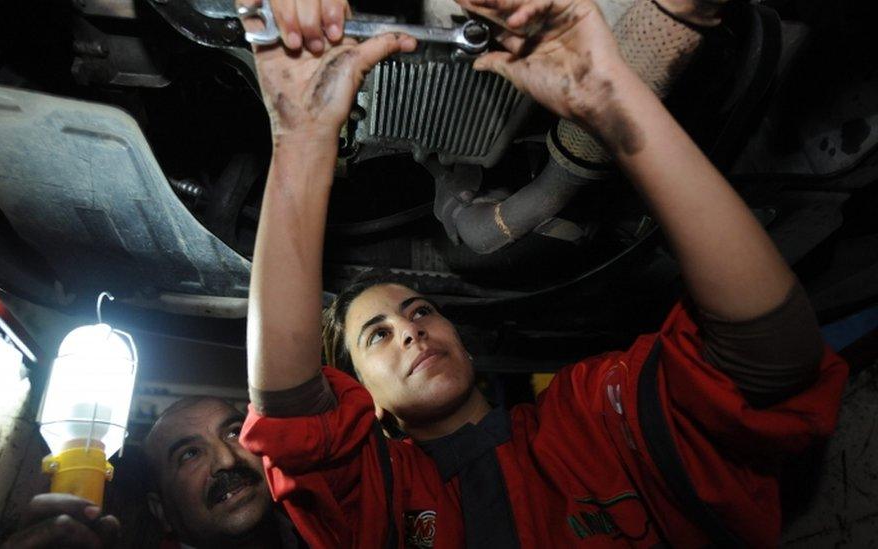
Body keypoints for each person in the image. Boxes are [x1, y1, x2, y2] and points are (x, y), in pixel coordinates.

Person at [238, 0, 849, 547]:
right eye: (377, 334)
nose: (410, 330)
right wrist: (302, 136)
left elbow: (767, 361)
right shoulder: (377, 504)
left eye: (420, 310)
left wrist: (611, 99)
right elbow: (292, 421)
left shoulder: (590, 417)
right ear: (365, 404)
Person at [2, 396, 303, 549]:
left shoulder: (332, 527)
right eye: (189, 454)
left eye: (233, 433)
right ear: (161, 512)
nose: (225, 460)